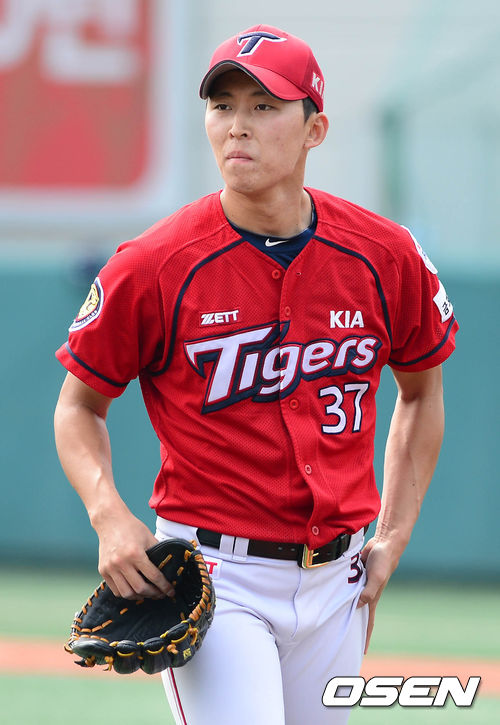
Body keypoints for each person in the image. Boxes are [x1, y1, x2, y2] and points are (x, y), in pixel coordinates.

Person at [54, 24, 458, 725]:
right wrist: (108, 514)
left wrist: (394, 531)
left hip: (340, 579)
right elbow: (77, 407)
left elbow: (422, 391)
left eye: (264, 106)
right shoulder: (153, 265)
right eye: (223, 105)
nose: (237, 125)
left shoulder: (385, 255)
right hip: (219, 578)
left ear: (315, 129)